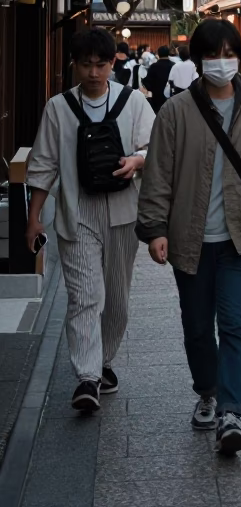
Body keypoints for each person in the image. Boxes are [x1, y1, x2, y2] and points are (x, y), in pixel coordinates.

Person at [135, 18, 241, 454]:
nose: (222, 62)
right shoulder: (176, 111)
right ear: (198, 60)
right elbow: (159, 175)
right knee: (198, 327)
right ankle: (207, 389)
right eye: (212, 54)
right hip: (190, 239)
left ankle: (231, 411)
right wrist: (155, 230)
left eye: (229, 53)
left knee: (236, 325)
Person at [26, 28, 154, 411]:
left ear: (113, 62)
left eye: (101, 64)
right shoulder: (58, 107)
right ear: (75, 65)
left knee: (116, 300)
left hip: (123, 214)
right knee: (86, 297)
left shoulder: (134, 103)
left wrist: (138, 160)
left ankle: (103, 361)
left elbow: (157, 147)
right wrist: (34, 219)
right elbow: (43, 166)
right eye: (86, 65)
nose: (94, 73)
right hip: (75, 211)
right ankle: (87, 377)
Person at [142, 45, 174, 113]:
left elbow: (147, 81)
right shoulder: (174, 65)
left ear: (158, 54)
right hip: (172, 97)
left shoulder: (154, 66)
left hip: (156, 97)